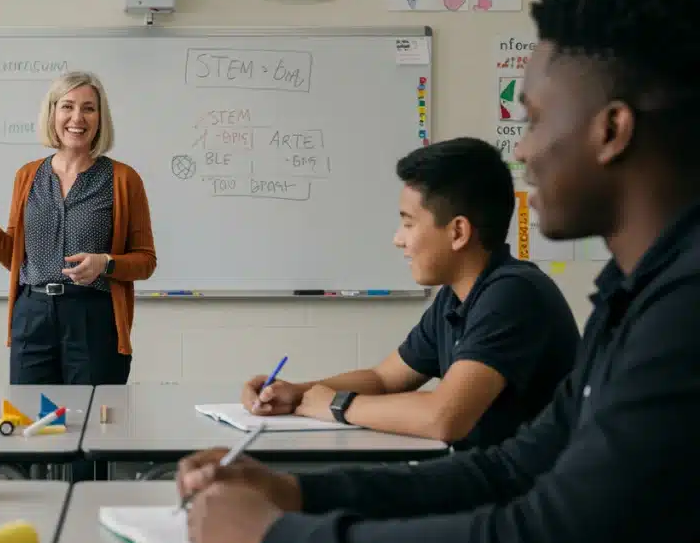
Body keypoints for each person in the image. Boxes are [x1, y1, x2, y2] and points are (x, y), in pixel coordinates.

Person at [177, 0, 700, 543]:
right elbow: (508, 470)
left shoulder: (681, 309)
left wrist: (276, 541)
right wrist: (297, 491)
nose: (526, 152)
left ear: (612, 129)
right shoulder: (630, 299)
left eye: (534, 119)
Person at [241, 137, 578, 449]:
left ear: (458, 231)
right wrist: (297, 394)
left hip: (531, 500)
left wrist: (337, 405)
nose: (398, 239)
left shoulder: (512, 295)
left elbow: (443, 417)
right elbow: (385, 378)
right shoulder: (456, 296)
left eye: (408, 223)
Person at [0, 71, 156, 385]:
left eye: (88, 108)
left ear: (100, 118)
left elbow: (145, 261)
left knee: (92, 426)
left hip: (94, 317)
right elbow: (15, 257)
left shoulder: (124, 179)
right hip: (33, 314)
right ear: (53, 113)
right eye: (67, 106)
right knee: (31, 424)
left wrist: (105, 264)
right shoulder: (28, 176)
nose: (77, 118)